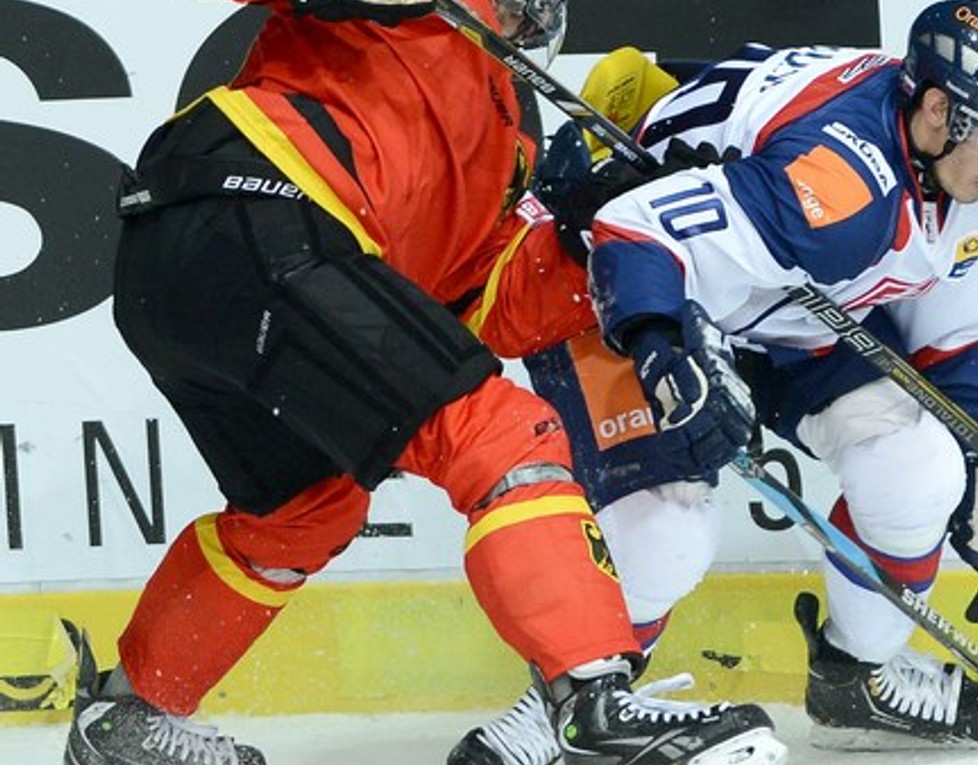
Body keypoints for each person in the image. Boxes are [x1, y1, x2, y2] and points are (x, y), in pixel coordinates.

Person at [63, 2, 788, 765]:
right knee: (508, 434)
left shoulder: (508, 125)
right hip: (258, 209)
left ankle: (127, 719)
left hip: (197, 273)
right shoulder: (396, 16)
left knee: (303, 511)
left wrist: (587, 241)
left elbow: (480, 300)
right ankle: (593, 701)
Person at [449, 0, 978, 761]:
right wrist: (662, 351)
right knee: (668, 525)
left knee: (921, 465)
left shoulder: (972, 184)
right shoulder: (842, 183)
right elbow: (635, 232)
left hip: (771, 291)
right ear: (940, 110)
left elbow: (949, 339)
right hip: (625, 278)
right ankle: (565, 706)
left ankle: (856, 683)